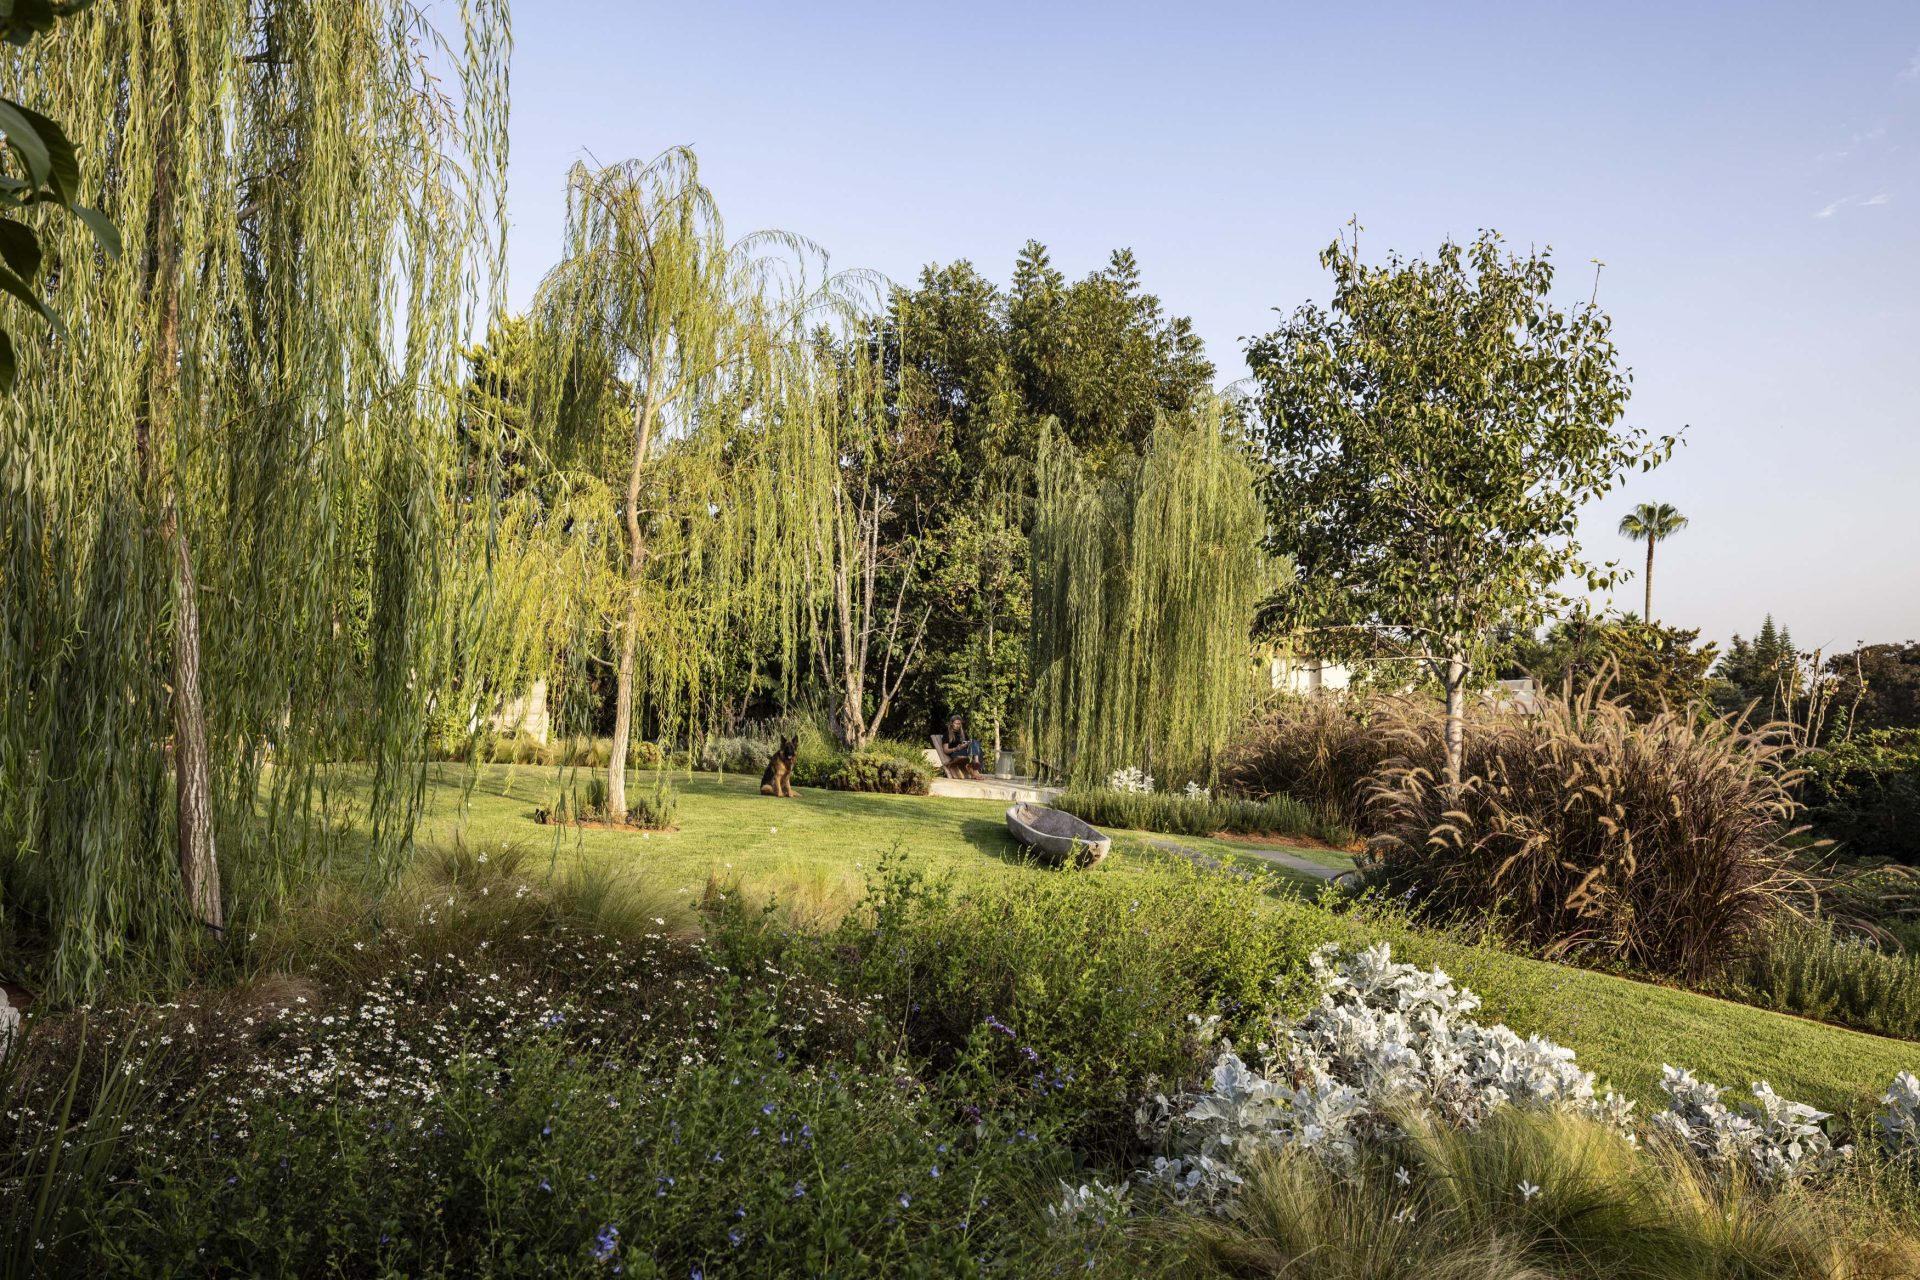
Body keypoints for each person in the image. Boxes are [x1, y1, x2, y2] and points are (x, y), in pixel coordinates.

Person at [943, 714, 985, 779]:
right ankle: (975, 769)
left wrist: (967, 743)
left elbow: (970, 743)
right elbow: (945, 750)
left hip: (964, 751)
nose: (958, 725)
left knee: (974, 742)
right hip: (955, 753)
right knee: (978, 750)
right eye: (956, 723)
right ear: (951, 724)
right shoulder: (947, 734)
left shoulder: (962, 733)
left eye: (959, 724)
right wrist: (957, 748)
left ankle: (976, 764)